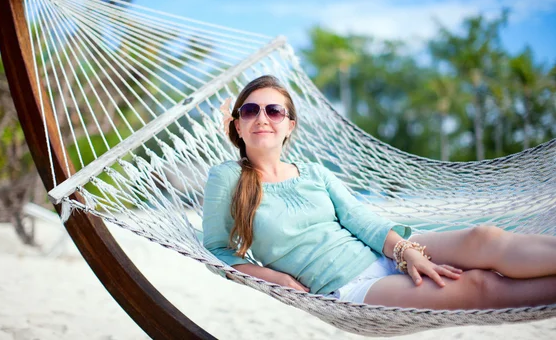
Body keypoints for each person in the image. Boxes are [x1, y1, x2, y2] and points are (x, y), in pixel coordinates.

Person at [202, 75, 556, 309]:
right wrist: (275, 278)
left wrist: (405, 252)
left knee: (485, 237)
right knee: (479, 287)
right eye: (250, 110)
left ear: (289, 125)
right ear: (238, 125)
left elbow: (361, 220)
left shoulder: (314, 173)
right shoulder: (227, 178)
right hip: (348, 288)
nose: (262, 117)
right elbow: (217, 250)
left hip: (385, 251)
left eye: (274, 111)